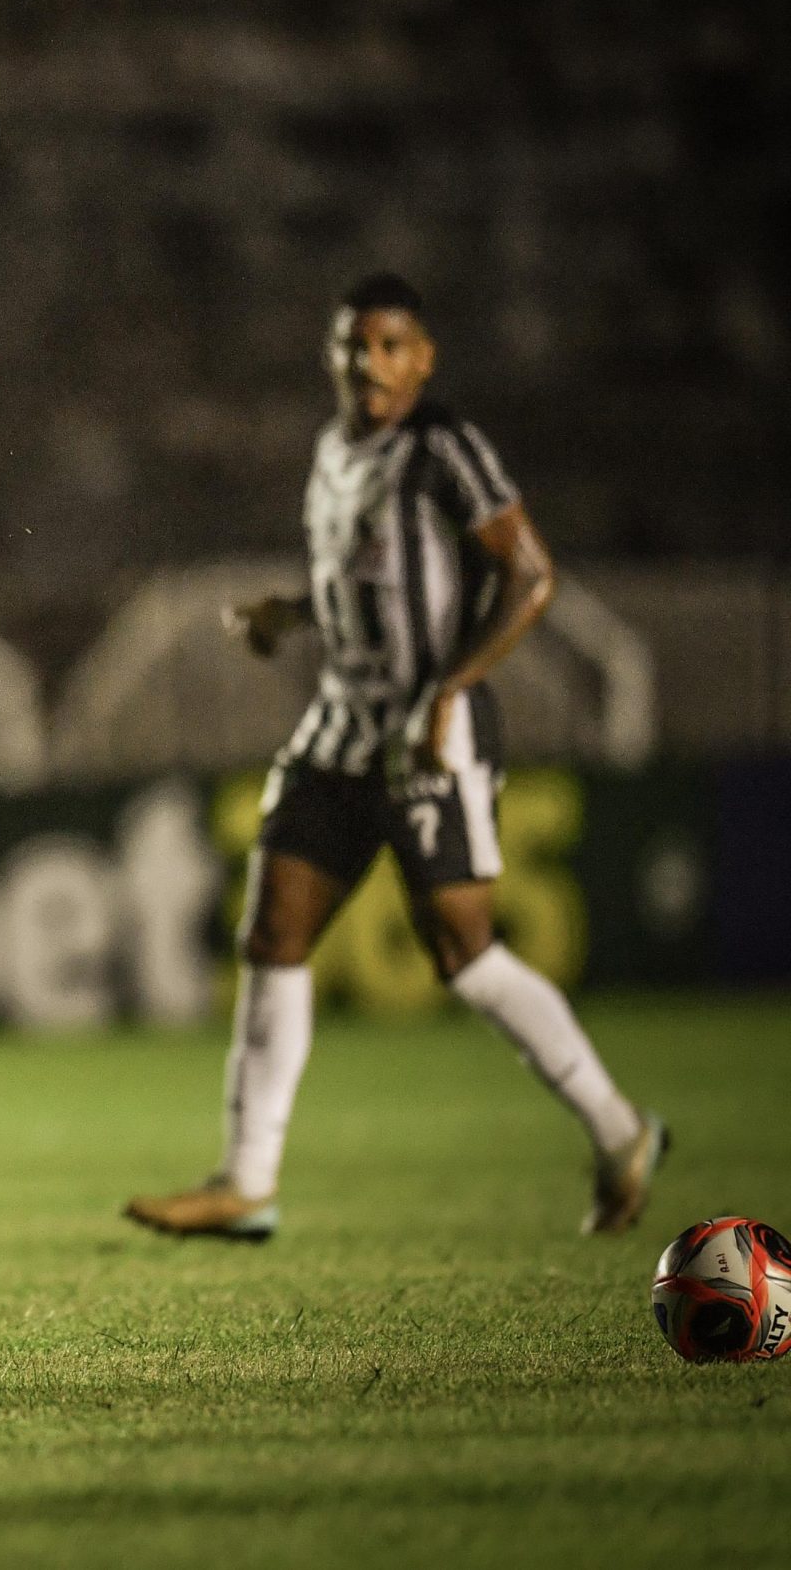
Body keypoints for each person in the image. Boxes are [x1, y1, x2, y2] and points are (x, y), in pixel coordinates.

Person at [125, 272, 665, 1243]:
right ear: (331, 358)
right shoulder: (333, 449)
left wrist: (450, 690)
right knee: (272, 932)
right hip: (339, 728)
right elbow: (361, 583)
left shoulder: (440, 448)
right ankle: (246, 1183)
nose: (368, 362)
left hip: (427, 732)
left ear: (422, 359)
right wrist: (287, 613)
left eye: (388, 345)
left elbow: (531, 573)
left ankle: (619, 1130)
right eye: (351, 346)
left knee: (464, 956)